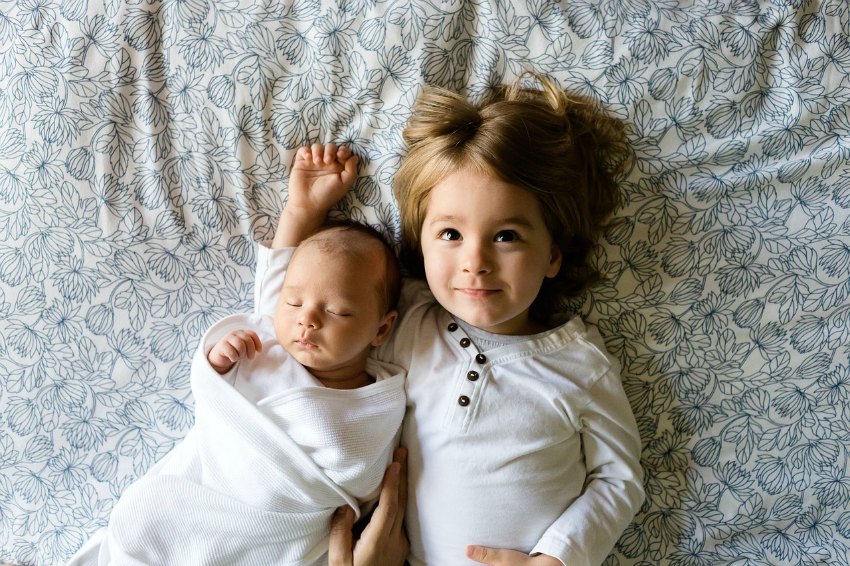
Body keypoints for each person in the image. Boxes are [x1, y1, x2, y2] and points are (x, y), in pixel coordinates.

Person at [266, 73, 645, 566]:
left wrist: (556, 558)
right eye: (449, 234)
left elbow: (619, 478)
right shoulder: (402, 323)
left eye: (506, 236)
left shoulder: (578, 365)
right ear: (419, 246)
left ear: (553, 256)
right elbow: (294, 313)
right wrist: (301, 213)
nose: (476, 261)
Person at [65, 146, 407, 566]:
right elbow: (281, 274)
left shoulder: (381, 399)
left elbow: (361, 478)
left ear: (382, 329)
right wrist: (219, 361)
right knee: (147, 521)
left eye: (337, 311)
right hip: (201, 501)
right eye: (294, 304)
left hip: (278, 532)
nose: (307, 321)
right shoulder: (268, 342)